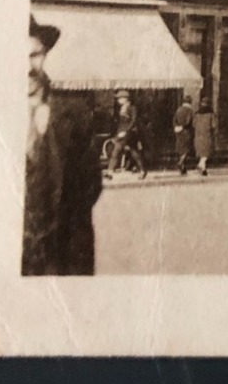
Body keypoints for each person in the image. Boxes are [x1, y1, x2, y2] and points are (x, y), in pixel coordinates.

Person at [23, 16, 102, 275]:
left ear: (45, 55)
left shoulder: (75, 114)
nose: (28, 67)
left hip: (62, 261)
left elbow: (90, 187)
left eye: (35, 55)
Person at [105, 89, 145, 178]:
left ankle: (110, 172)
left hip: (129, 133)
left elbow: (133, 121)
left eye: (120, 98)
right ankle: (142, 171)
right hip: (123, 133)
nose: (119, 100)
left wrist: (126, 131)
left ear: (125, 98)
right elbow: (121, 123)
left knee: (116, 150)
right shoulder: (122, 108)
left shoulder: (131, 108)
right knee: (134, 152)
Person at [192, 95, 216, 176]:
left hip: (198, 135)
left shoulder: (197, 114)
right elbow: (214, 125)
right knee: (207, 152)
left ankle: (203, 168)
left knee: (202, 153)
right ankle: (201, 165)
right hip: (207, 135)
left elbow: (194, 124)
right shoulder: (211, 114)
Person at [173, 93, 195, 175]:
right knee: (187, 148)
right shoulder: (190, 110)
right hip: (186, 131)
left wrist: (176, 126)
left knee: (181, 148)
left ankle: (183, 168)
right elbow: (189, 121)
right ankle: (181, 162)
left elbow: (174, 119)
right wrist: (185, 126)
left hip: (178, 130)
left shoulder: (178, 109)